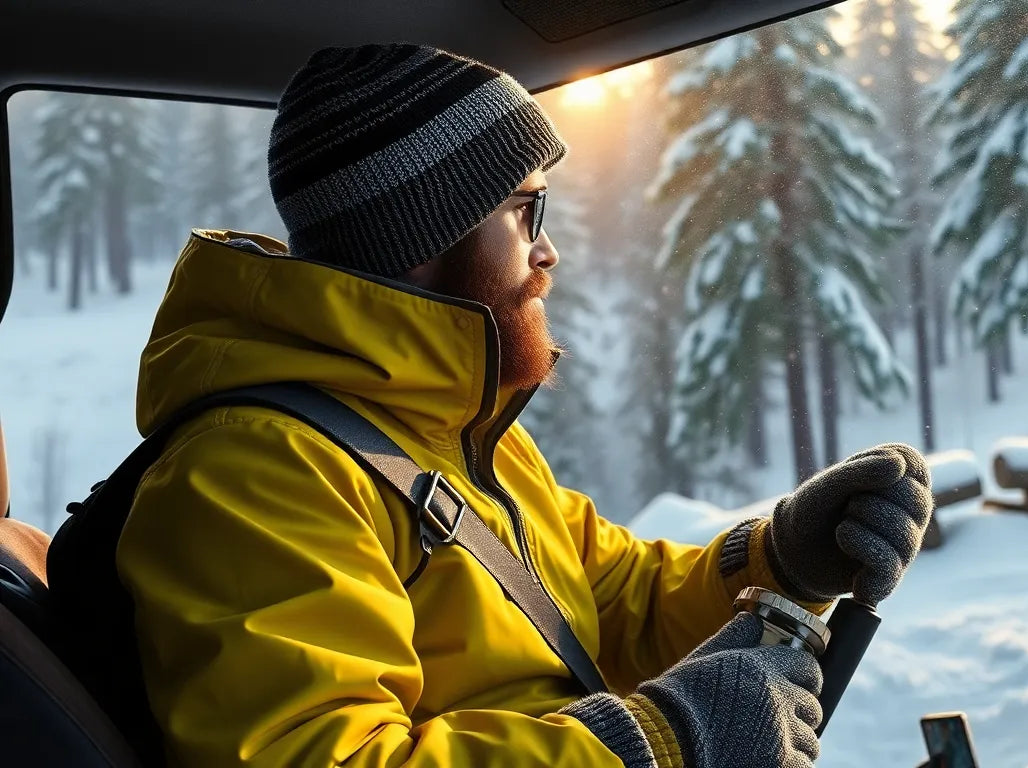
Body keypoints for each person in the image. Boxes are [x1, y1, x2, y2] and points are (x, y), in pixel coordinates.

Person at [117, 43, 934, 768]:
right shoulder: (255, 471)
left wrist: (781, 560)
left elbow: (612, 604)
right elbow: (311, 755)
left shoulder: (454, 433)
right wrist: (655, 744)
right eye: (523, 208)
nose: (548, 249)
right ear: (428, 233)